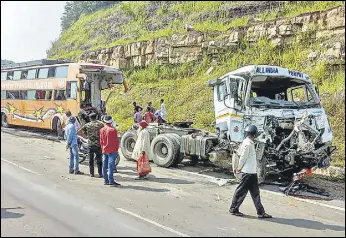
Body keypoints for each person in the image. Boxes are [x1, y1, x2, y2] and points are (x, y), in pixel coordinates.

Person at [229, 125, 272, 218]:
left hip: (252, 173)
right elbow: (243, 158)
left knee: (255, 193)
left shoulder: (250, 143)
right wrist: (239, 168)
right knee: (240, 192)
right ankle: (233, 209)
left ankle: (261, 212)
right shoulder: (247, 144)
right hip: (247, 173)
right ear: (254, 134)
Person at [78, 113, 104, 178]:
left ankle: (91, 173)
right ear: (96, 117)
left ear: (90, 118)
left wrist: (86, 135)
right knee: (99, 160)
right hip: (98, 144)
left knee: (91, 160)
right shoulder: (100, 124)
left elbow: (79, 132)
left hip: (90, 144)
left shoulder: (87, 125)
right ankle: (100, 173)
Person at [100, 115, 121, 186]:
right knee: (110, 166)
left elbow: (101, 141)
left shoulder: (102, 130)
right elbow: (116, 141)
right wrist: (116, 149)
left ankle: (106, 180)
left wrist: (103, 148)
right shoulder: (113, 130)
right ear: (111, 121)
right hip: (112, 150)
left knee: (104, 166)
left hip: (104, 149)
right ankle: (111, 181)